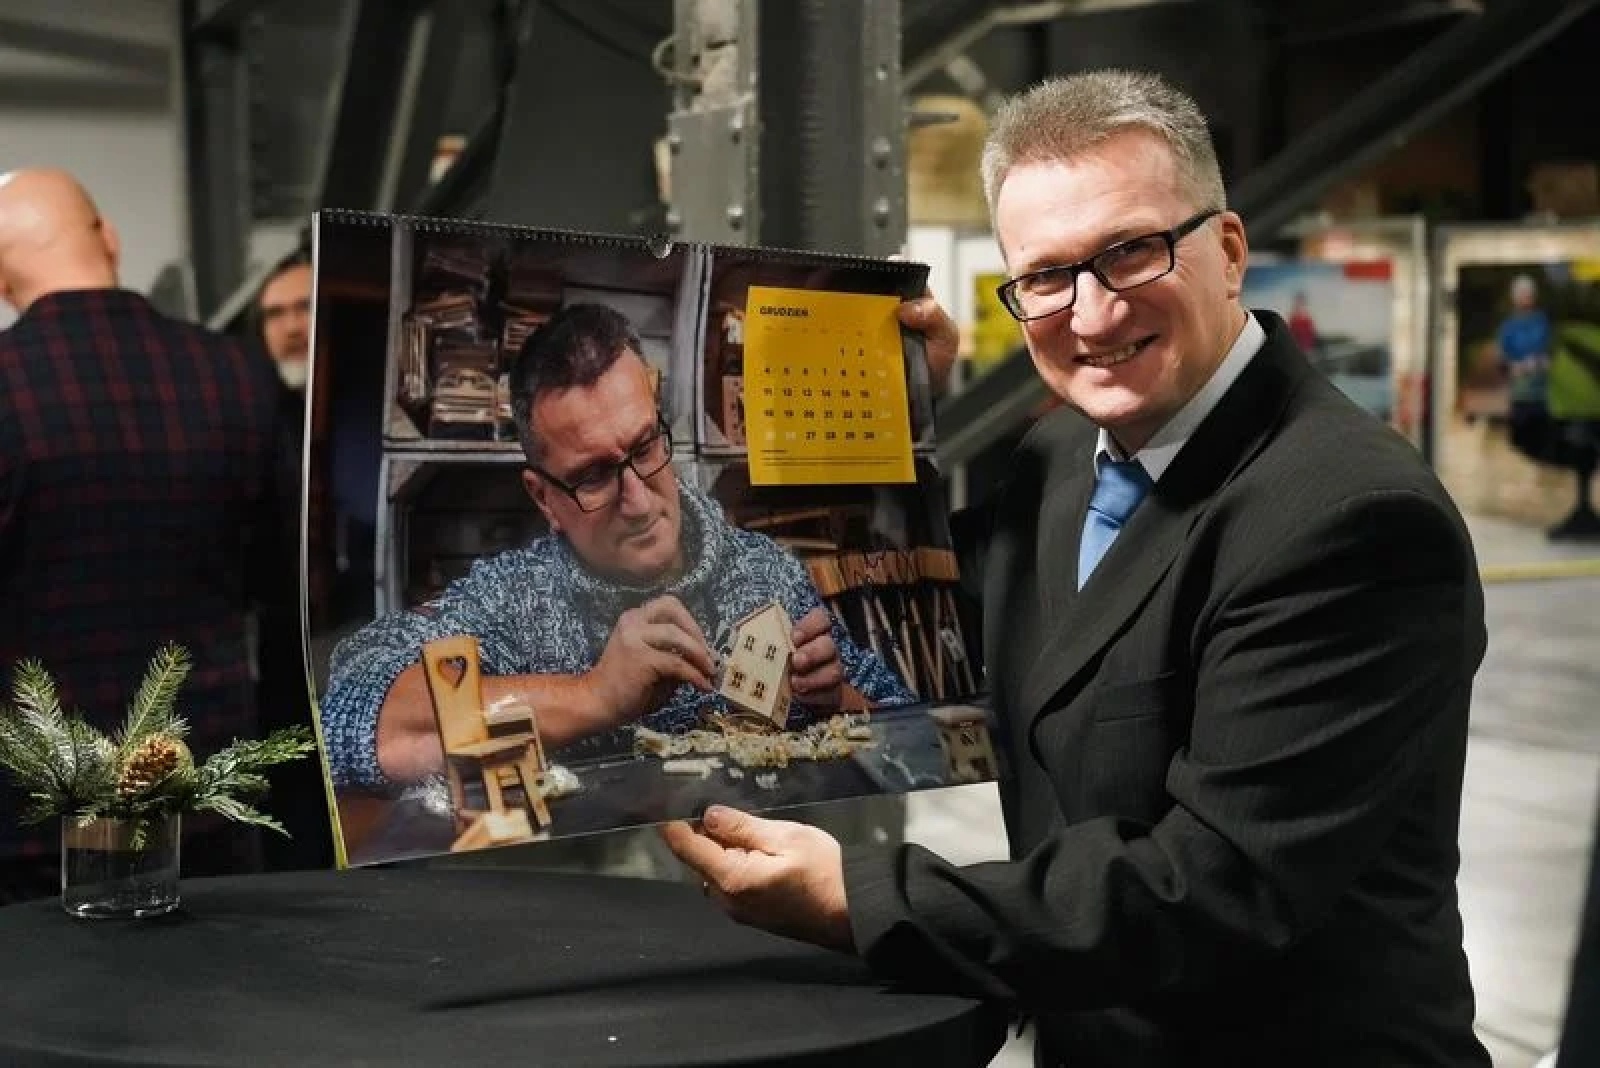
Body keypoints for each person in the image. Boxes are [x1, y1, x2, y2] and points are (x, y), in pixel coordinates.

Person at [662, 69, 1490, 1067]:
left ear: (1228, 252)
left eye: (1130, 252)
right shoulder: (1061, 456)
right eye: (1046, 277)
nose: (1091, 315)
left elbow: (1210, 884)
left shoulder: (1350, 520)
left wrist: (860, 899)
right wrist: (889, 423)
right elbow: (922, 625)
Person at [318, 302, 914, 797]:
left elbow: (911, 729)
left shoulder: (767, 571)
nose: (638, 500)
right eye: (594, 476)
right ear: (544, 498)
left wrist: (838, 699)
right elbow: (351, 719)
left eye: (645, 447)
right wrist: (594, 695)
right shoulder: (512, 602)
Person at [0, 168, 286, 898]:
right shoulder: (237, 372)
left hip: (33, 821)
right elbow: (285, 578)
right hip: (208, 795)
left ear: (2, 281)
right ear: (110, 240)